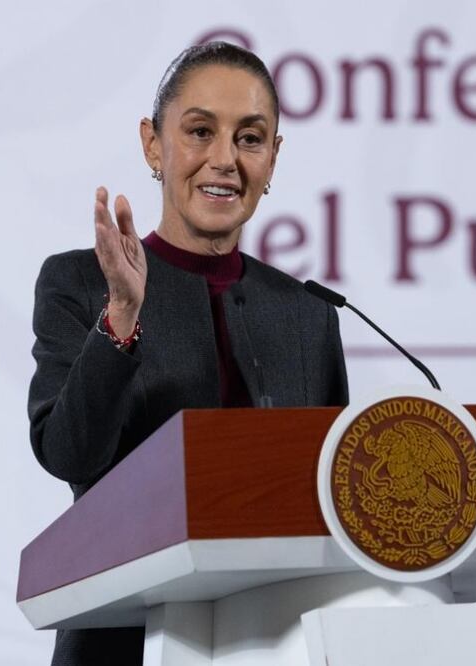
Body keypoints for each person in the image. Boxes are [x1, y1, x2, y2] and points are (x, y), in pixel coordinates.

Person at [26, 42, 349, 666]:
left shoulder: (309, 315)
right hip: (122, 644)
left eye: (250, 139)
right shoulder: (82, 283)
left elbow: (332, 503)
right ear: (154, 144)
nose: (224, 160)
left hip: (280, 646)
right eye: (200, 131)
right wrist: (121, 317)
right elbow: (70, 453)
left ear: (273, 157)